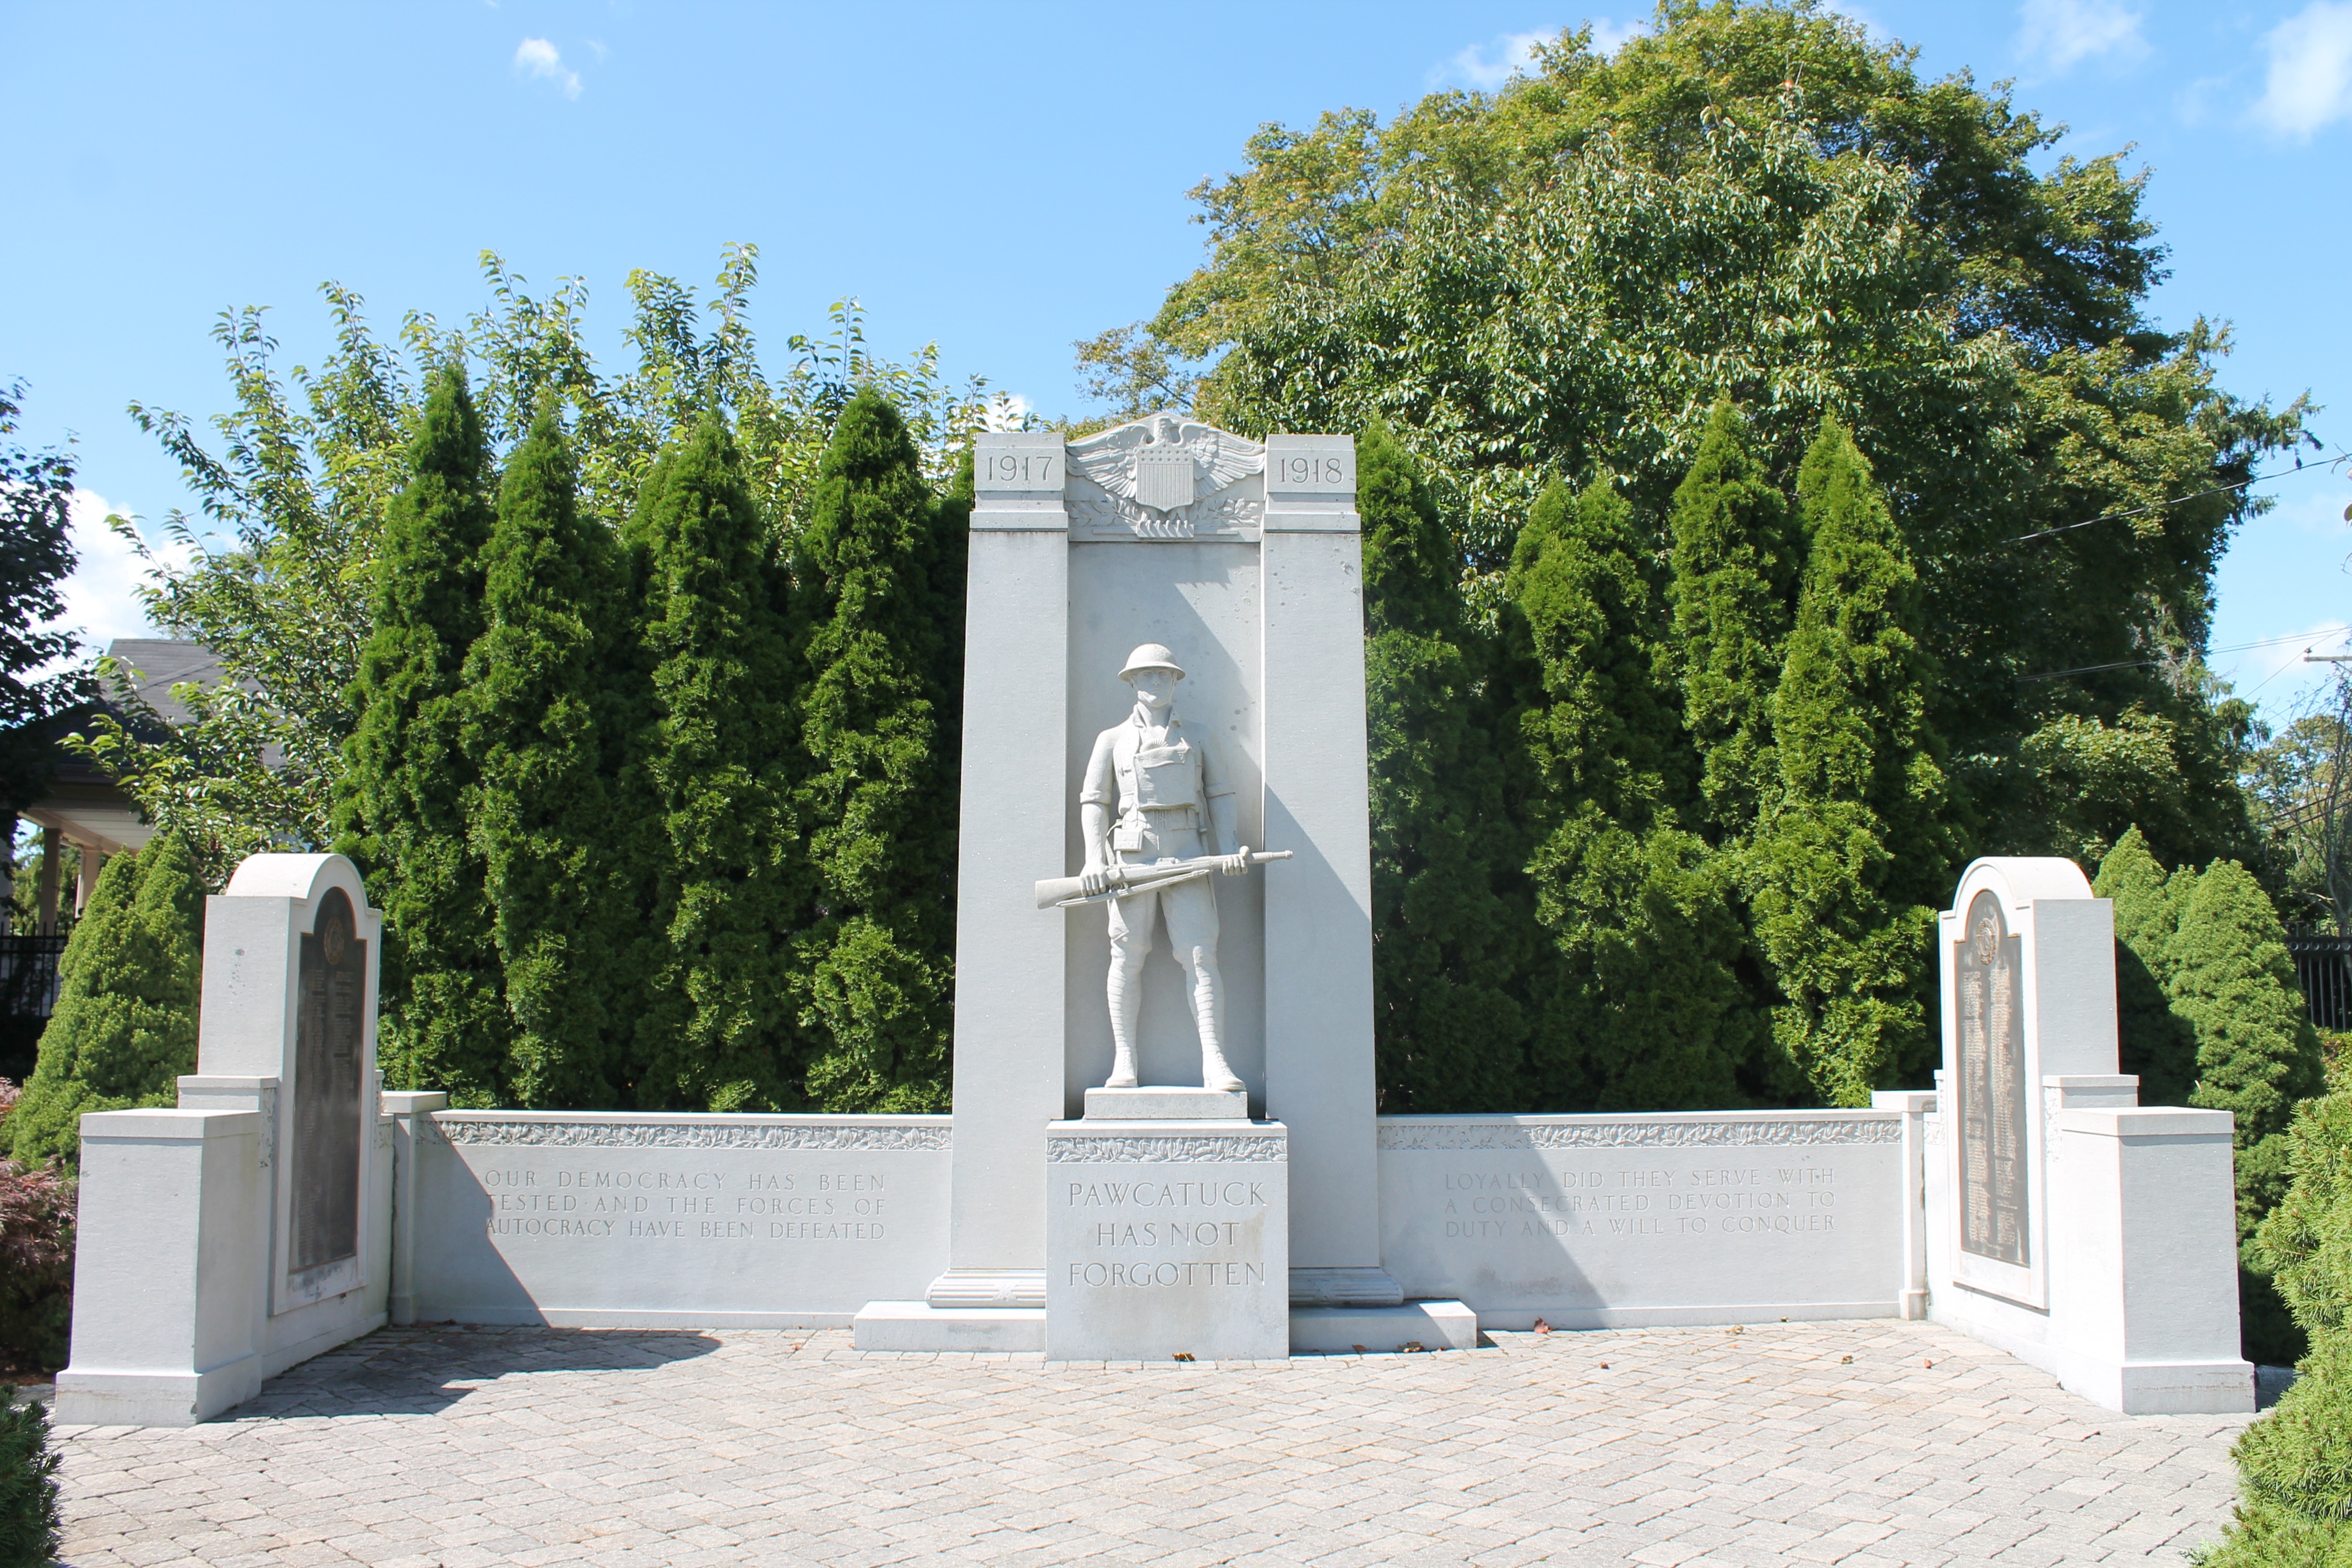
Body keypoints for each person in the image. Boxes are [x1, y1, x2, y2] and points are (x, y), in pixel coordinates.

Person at [1077, 644, 1250, 1092]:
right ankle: (1125, 1060)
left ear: (1175, 681)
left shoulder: (1199, 734)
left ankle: (1215, 1060)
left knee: (1199, 955)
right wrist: (1094, 858)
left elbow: (1221, 795)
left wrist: (1229, 846)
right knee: (1127, 955)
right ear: (1131, 682)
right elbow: (1094, 801)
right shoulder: (1110, 740)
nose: (1155, 683)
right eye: (1146, 676)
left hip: (1189, 851)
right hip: (1132, 853)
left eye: (1163, 676)